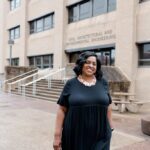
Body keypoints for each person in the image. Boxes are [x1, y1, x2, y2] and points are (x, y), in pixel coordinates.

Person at [53, 51, 114, 150]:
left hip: (101, 135)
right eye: (88, 62)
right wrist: (57, 135)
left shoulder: (103, 83)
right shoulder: (71, 84)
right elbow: (61, 109)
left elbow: (108, 104)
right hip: (75, 135)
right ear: (81, 64)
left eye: (94, 64)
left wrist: (110, 127)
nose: (91, 66)